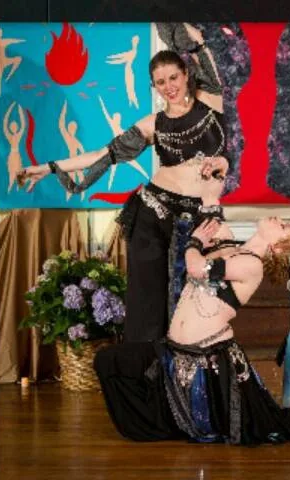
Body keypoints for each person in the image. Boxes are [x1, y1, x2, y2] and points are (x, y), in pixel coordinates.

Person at [16, 23, 230, 343]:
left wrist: (191, 35)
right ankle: (146, 370)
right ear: (154, 86)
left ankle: (188, 372)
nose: (169, 86)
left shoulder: (210, 101)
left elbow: (202, 50)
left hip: (198, 217)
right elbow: (101, 155)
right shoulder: (153, 124)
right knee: (148, 304)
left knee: (198, 301)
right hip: (154, 214)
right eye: (160, 82)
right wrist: (47, 167)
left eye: (173, 77)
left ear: (186, 74)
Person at [93, 208, 290, 445]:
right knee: (108, 360)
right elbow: (211, 224)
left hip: (208, 361)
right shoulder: (235, 249)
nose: (279, 219)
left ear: (278, 248)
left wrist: (194, 242)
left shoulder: (252, 265)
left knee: (272, 424)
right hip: (174, 352)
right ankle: (162, 425)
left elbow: (196, 268)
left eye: (284, 227)